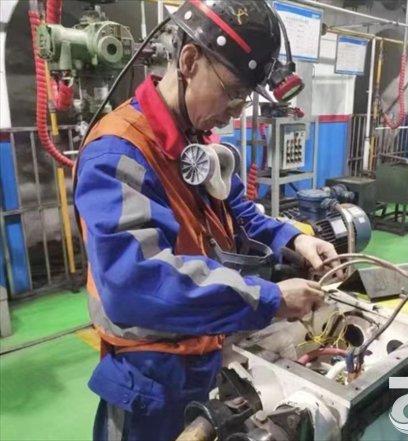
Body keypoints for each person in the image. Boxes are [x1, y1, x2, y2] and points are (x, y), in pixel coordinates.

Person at [74, 1, 340, 440]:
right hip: (150, 379)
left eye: (245, 98)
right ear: (189, 61)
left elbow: (238, 213)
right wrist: (270, 298)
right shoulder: (117, 154)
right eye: (232, 91)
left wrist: (295, 239)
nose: (237, 110)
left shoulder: (197, 144)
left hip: (208, 354)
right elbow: (134, 283)